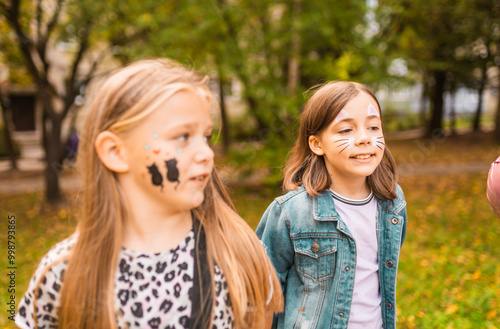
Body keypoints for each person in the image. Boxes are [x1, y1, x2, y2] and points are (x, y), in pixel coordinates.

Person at [16, 59, 283, 329]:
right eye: (182, 137)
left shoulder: (237, 253)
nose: (207, 154)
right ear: (115, 152)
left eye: (206, 136)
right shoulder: (64, 272)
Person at [256, 81, 407, 329]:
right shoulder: (290, 212)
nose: (364, 139)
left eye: (373, 127)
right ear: (317, 144)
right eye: (346, 130)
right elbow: (261, 292)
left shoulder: (393, 203)